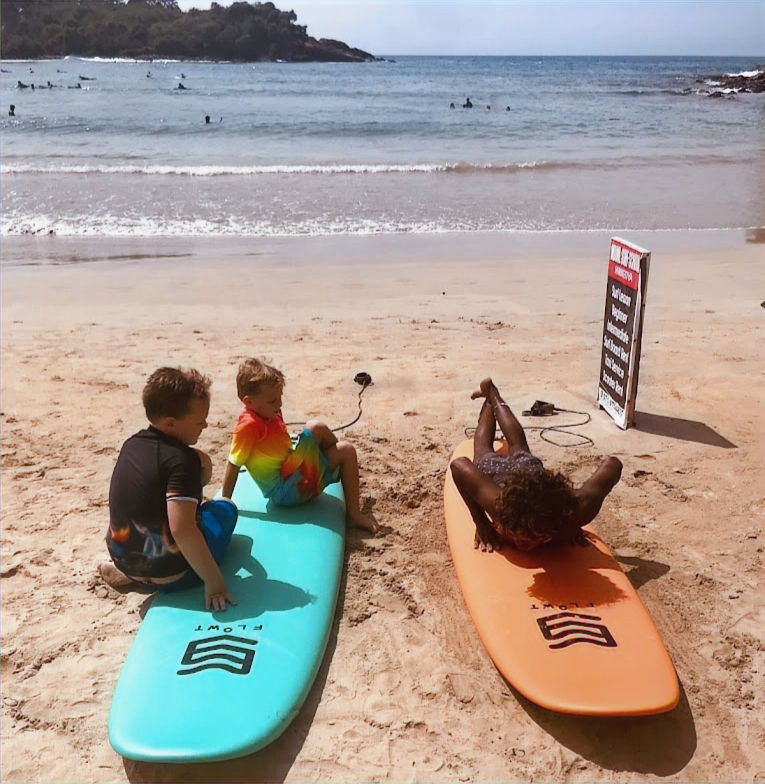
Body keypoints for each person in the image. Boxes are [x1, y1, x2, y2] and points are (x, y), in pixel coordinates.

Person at [103, 367, 238, 611]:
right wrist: (214, 582)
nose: (205, 425)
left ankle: (133, 577)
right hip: (175, 575)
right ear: (171, 423)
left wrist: (201, 462)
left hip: (125, 560)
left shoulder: (132, 445)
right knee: (225, 510)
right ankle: (160, 580)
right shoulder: (181, 461)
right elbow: (182, 530)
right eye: (200, 421)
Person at [450, 378, 622, 552]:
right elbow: (458, 466)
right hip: (498, 473)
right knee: (483, 452)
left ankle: (491, 394)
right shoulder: (498, 506)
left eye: (529, 540)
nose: (519, 544)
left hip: (531, 475)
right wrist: (481, 522)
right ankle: (491, 397)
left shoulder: (578, 510)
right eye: (515, 535)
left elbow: (614, 465)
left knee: (519, 447)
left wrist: (572, 523)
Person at [221, 358, 378, 533]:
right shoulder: (248, 427)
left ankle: (351, 510)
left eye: (280, 398)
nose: (279, 405)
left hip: (291, 473)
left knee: (344, 448)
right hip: (284, 491)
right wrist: (224, 502)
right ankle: (337, 472)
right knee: (316, 428)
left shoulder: (269, 412)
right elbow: (233, 464)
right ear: (248, 402)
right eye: (272, 401)